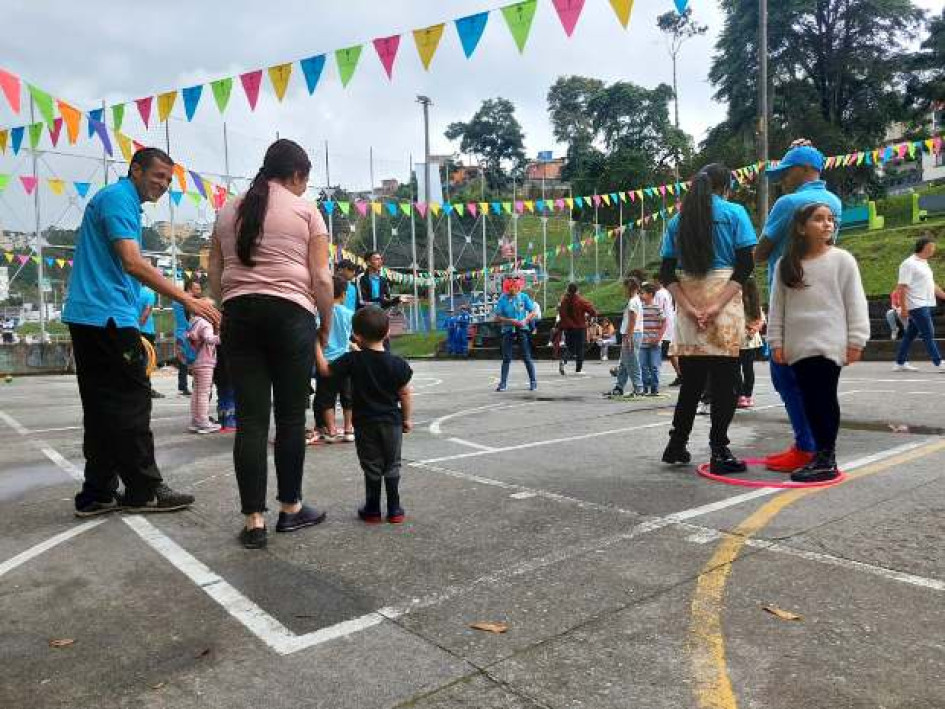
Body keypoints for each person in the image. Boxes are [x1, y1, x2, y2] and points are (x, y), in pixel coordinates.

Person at [63, 147, 219, 517]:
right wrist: (188, 299)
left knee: (101, 408)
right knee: (132, 402)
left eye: (168, 179)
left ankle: (97, 491)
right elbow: (132, 262)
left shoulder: (119, 200)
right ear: (135, 170)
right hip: (108, 318)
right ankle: (143, 490)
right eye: (158, 175)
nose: (163, 184)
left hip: (91, 317)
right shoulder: (119, 199)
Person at [209, 138, 334, 550]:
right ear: (297, 175)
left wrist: (227, 308)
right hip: (290, 315)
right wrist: (325, 325)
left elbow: (215, 272)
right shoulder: (306, 210)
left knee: (251, 421)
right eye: (305, 180)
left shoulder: (228, 210)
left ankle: (254, 521)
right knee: (291, 417)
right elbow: (322, 279)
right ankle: (291, 509)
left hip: (239, 315)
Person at [659, 163, 757, 474]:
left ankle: (676, 444)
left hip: (688, 301)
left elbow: (666, 273)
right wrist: (716, 306)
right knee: (726, 382)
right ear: (726, 186)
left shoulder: (677, 221)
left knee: (691, 383)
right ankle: (719, 450)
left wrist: (689, 308)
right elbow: (745, 266)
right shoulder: (735, 213)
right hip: (723, 300)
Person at [754, 143, 842, 473]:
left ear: (804, 169)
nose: (782, 179)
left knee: (785, 375)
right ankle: (817, 447)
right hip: (822, 298)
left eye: (786, 172)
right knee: (815, 378)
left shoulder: (788, 204)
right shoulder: (834, 202)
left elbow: (762, 253)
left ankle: (807, 447)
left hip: (789, 297)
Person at [768, 203, 870, 481]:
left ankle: (827, 457)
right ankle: (820, 455)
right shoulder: (786, 265)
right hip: (798, 346)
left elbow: (855, 302)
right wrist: (776, 342)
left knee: (823, 397)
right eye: (818, 219)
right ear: (802, 228)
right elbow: (777, 308)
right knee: (809, 400)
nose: (827, 224)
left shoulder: (842, 260)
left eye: (830, 219)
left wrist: (857, 340)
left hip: (829, 343)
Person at [315, 306, 413, 523]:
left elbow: (325, 371)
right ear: (387, 332)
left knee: (372, 465)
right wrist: (406, 419)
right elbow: (405, 393)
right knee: (392, 464)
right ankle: (395, 509)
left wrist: (316, 345)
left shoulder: (352, 360)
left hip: (365, 424)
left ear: (356, 336)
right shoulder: (398, 364)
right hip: (392, 422)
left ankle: (373, 509)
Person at [314, 275, 356, 444]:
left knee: (326, 398)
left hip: (326, 361)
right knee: (348, 396)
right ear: (343, 294)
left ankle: (331, 430)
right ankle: (348, 428)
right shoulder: (349, 314)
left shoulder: (321, 313)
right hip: (345, 361)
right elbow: (349, 336)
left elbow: (317, 333)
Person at [893, 236, 945, 372]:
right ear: (924, 247)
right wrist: (904, 308)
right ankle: (939, 362)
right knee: (928, 333)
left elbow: (932, 285)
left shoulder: (924, 263)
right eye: (932, 247)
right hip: (916, 305)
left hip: (925, 303)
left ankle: (900, 362)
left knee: (910, 335)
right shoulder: (908, 264)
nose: (934, 249)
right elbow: (902, 287)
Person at [493, 276, 538, 392]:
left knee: (526, 356)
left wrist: (525, 320)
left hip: (522, 329)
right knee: (506, 358)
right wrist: (510, 321)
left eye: (516, 288)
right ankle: (503, 383)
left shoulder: (523, 297)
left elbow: (533, 312)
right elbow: (497, 317)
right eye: (511, 289)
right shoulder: (503, 299)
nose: (513, 291)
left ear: (519, 287)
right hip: (508, 330)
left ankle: (533, 381)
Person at [186, 302, 221, 434]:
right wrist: (224, 337)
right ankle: (203, 422)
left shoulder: (194, 322)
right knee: (204, 393)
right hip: (205, 362)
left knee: (197, 392)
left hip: (195, 361)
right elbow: (209, 339)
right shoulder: (205, 324)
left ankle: (196, 420)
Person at [607, 277, 644, 398]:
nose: (623, 290)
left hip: (632, 334)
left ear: (629, 288)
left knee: (632, 362)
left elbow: (632, 321)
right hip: (631, 333)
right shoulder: (635, 300)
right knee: (624, 362)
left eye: (625, 288)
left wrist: (628, 336)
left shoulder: (633, 301)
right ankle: (619, 387)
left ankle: (638, 388)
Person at [557, 282, 598, 375]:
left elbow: (561, 314)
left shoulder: (563, 301)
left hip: (568, 328)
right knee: (580, 348)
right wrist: (592, 316)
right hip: (579, 327)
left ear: (567, 290)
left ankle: (564, 360)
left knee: (570, 347)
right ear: (577, 291)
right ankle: (578, 369)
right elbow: (592, 310)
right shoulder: (580, 300)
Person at [737, 278, 765, 409]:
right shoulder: (755, 302)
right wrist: (754, 329)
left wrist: (748, 328)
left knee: (736, 369)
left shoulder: (739, 300)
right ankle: (748, 396)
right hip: (752, 341)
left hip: (739, 339)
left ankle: (740, 396)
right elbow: (762, 320)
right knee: (748, 369)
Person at [172, 279, 201, 396]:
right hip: (187, 333)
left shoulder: (178, 300)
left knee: (183, 361)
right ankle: (195, 385)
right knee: (194, 359)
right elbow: (188, 319)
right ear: (189, 289)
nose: (199, 291)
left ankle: (183, 386)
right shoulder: (187, 301)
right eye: (197, 289)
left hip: (180, 333)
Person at [653, 273, 681, 386]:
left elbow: (657, 311)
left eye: (655, 281)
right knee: (671, 353)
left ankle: (680, 374)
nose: (653, 283)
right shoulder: (667, 292)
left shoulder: (659, 294)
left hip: (664, 328)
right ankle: (680, 374)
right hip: (669, 327)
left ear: (659, 281)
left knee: (661, 352)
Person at [639, 282, 667, 396]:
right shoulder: (640, 308)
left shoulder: (657, 308)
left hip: (655, 342)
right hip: (642, 342)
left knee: (654, 366)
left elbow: (664, 322)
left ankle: (654, 388)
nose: (641, 295)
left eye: (643, 293)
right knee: (643, 366)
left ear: (650, 294)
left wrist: (658, 337)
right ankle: (645, 387)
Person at [137, 283, 163, 399]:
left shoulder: (133, 291)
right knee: (147, 361)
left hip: (131, 329)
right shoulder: (149, 293)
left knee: (132, 358)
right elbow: (147, 312)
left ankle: (135, 386)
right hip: (146, 332)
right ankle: (146, 388)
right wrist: (139, 327)